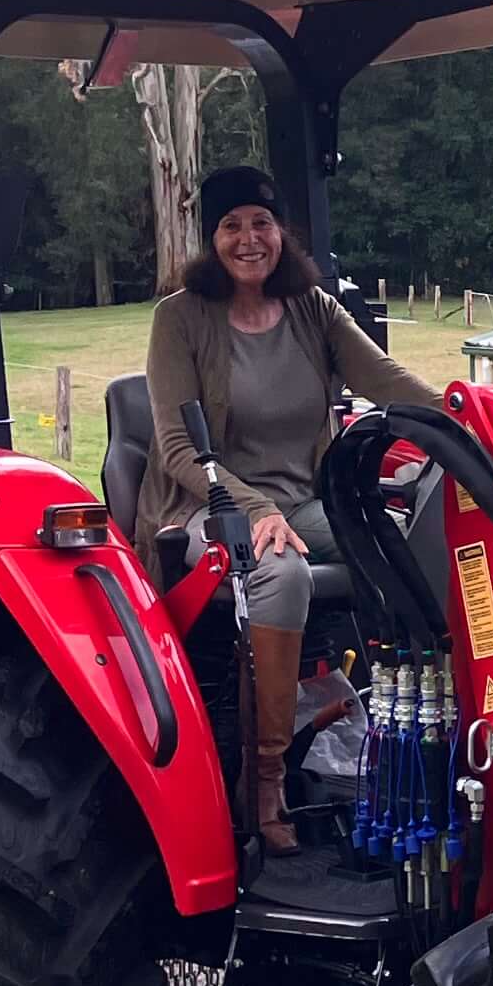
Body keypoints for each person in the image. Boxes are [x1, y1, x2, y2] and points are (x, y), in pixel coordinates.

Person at [138, 164, 436, 834]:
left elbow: (385, 379)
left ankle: (415, 734)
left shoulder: (313, 309)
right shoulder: (180, 320)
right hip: (206, 510)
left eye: (261, 223)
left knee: (410, 538)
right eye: (232, 225)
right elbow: (181, 450)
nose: (249, 238)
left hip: (305, 503)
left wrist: (465, 417)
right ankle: (263, 779)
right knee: (280, 572)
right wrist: (257, 511)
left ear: (282, 233)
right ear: (210, 238)